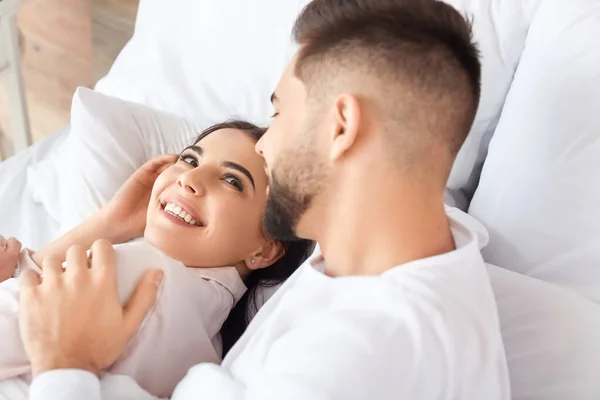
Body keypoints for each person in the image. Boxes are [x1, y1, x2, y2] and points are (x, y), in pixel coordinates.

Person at [19, 0, 511, 398]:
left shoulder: (362, 356)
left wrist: (65, 366)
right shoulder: (394, 244)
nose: (263, 144)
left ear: (341, 127)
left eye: (279, 116)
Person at [0, 122, 312, 397]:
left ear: (266, 249)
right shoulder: (208, 353)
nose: (188, 179)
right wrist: (109, 223)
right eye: (189, 159)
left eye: (232, 181)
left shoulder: (142, 272)